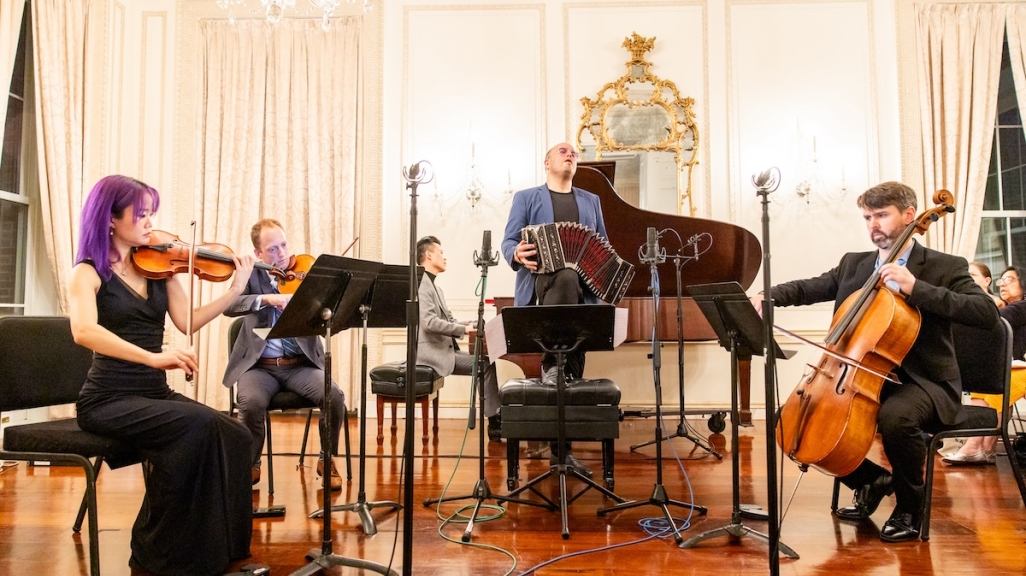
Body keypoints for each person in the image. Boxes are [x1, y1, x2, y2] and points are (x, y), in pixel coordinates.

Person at [750, 181, 998, 543]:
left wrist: (918, 288)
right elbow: (812, 287)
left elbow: (985, 312)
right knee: (790, 419)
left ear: (909, 215)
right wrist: (769, 295)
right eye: (867, 216)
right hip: (862, 378)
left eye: (881, 215)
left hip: (924, 382)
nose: (872, 224)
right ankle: (872, 481)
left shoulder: (945, 267)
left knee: (896, 418)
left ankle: (912, 507)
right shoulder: (855, 264)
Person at [69, 175, 254, 576]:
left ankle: (225, 547)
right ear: (110, 220)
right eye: (141, 215)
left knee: (237, 435)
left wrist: (235, 289)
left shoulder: (159, 268)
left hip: (152, 394)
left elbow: (188, 320)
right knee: (198, 424)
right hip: (108, 398)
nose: (151, 223)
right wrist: (153, 358)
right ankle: (155, 552)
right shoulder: (88, 273)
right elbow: (84, 331)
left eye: (151, 213)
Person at [501, 141, 611, 479]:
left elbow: (603, 246)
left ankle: (562, 453)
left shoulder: (591, 201)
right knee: (564, 273)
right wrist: (516, 253)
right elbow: (508, 242)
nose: (571, 154)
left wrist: (613, 276)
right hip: (543, 288)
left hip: (580, 298)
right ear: (546, 161)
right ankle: (552, 362)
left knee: (570, 371)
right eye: (563, 151)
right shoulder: (527, 197)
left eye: (575, 153)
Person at [222, 219, 346, 490]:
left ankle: (327, 459)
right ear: (258, 254)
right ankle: (251, 464)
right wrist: (267, 299)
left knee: (334, 396)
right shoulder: (250, 274)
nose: (281, 255)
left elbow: (327, 316)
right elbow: (230, 305)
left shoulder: (304, 274)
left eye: (284, 246)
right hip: (260, 367)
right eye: (272, 249)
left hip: (299, 365)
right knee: (251, 403)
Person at [416, 236, 501, 441]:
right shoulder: (421, 284)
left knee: (486, 363)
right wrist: (463, 330)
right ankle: (495, 422)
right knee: (486, 364)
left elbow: (450, 320)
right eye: (441, 253)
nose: (445, 258)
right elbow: (429, 322)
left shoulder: (436, 287)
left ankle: (495, 419)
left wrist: (471, 323)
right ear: (429, 255)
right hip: (432, 355)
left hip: (445, 350)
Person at [943, 263, 1026, 464]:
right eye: (1002, 280)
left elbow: (991, 320)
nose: (1003, 284)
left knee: (997, 383)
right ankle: (985, 449)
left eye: (1010, 279)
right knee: (996, 380)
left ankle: (974, 446)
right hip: (1015, 365)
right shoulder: (1009, 307)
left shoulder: (1020, 307)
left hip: (1020, 366)